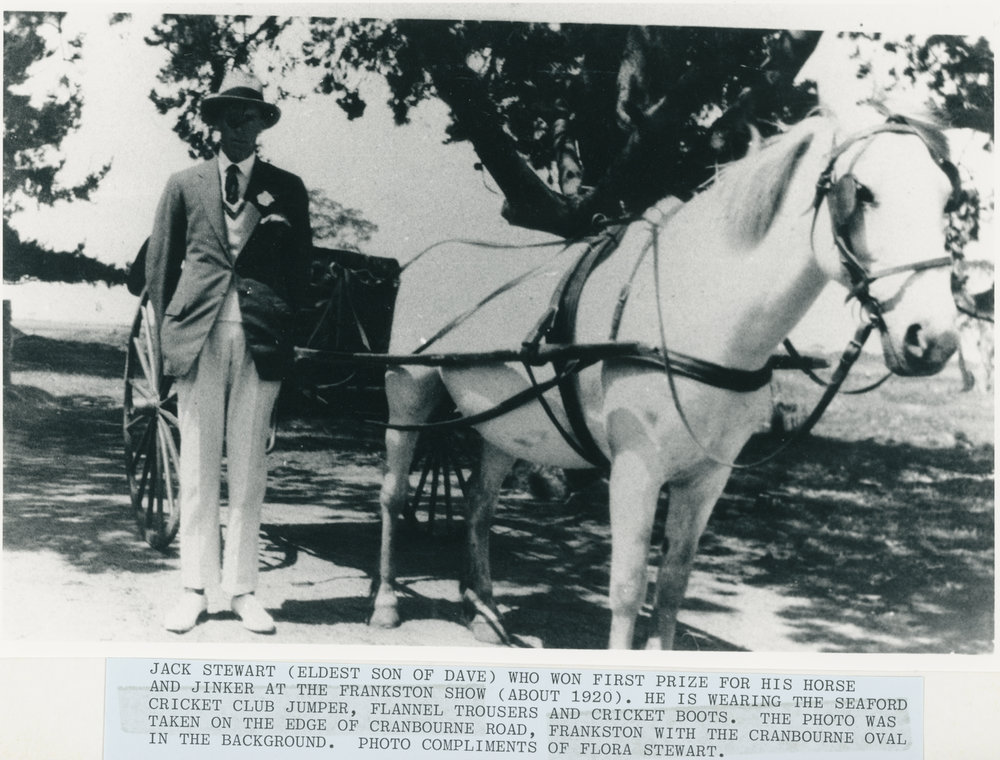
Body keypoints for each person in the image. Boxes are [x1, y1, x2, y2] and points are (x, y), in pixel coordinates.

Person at [145, 68, 312, 633]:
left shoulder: (285, 188)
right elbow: (162, 270)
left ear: (263, 125)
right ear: (214, 123)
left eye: (252, 118)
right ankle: (194, 587)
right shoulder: (183, 184)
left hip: (261, 338)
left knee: (248, 466)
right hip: (199, 336)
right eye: (230, 117)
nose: (241, 128)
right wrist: (171, 344)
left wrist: (291, 336)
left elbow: (300, 273)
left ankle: (242, 590)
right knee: (195, 465)